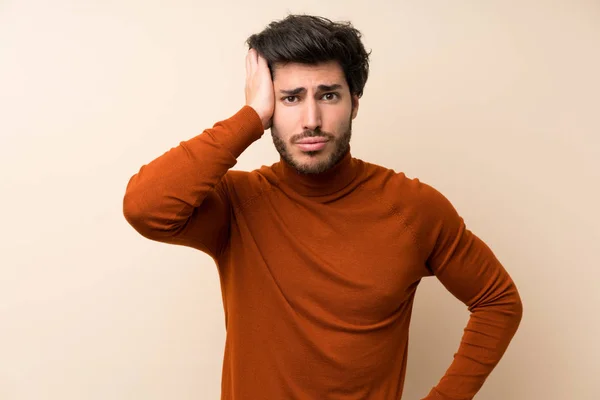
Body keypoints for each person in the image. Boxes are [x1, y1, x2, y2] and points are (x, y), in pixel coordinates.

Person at [123, 14, 523, 400]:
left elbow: (497, 300)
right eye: (290, 98)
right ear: (270, 110)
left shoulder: (413, 209)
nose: (311, 119)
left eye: (328, 95)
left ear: (354, 103)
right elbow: (145, 207)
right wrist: (249, 117)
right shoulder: (236, 205)